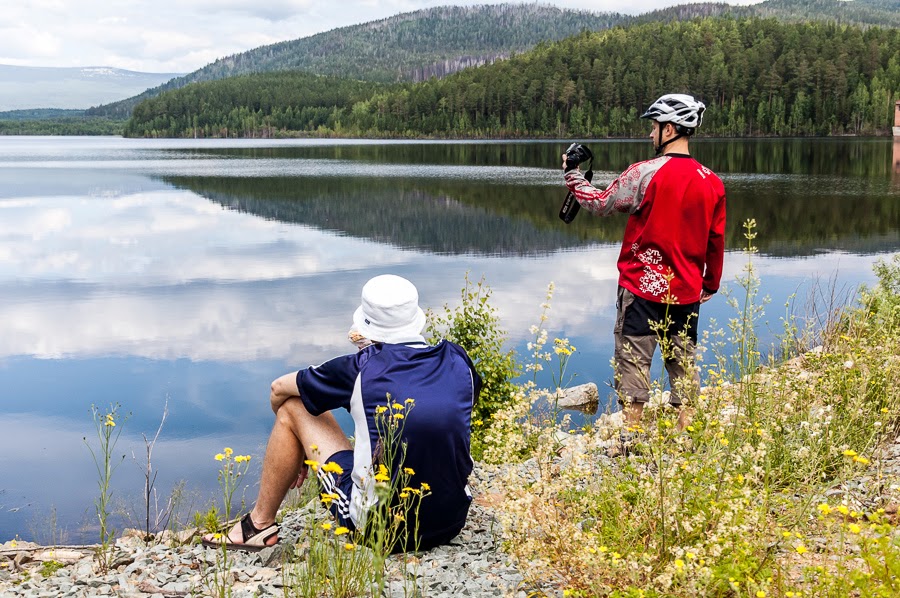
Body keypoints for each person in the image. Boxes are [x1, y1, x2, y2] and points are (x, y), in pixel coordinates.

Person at [203, 274, 481, 551]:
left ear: (367, 324)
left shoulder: (360, 368)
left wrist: (297, 443)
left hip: (381, 530)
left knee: (292, 406)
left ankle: (258, 525)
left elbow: (278, 388)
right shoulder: (459, 362)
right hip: (451, 521)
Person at [561, 93, 726, 441]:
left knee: (633, 362)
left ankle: (631, 440)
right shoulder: (711, 181)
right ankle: (687, 437)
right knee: (683, 362)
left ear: (669, 129)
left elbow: (602, 203)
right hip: (685, 291)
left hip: (641, 290)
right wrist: (710, 283)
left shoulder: (644, 173)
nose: (651, 135)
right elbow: (715, 238)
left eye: (654, 127)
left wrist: (573, 175)